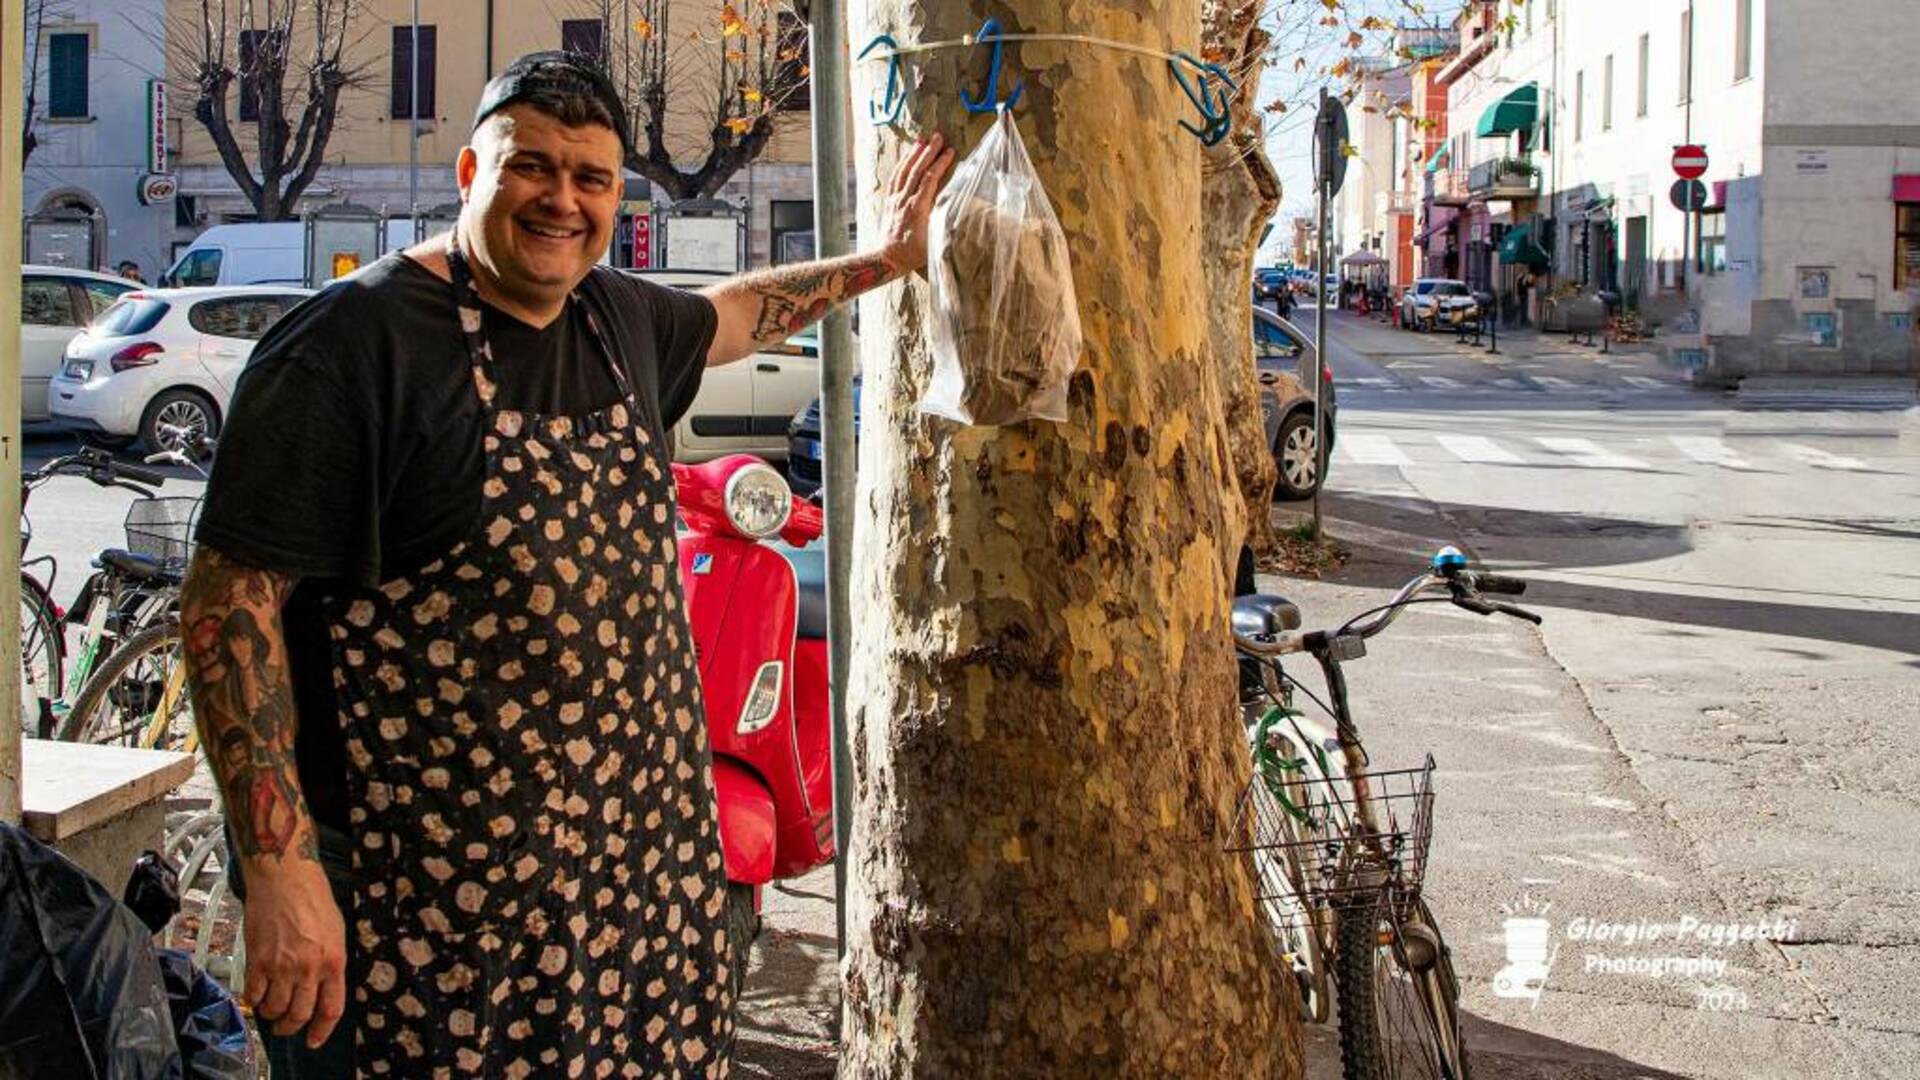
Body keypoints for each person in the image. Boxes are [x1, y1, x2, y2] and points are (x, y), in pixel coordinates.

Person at [180, 50, 953, 1078]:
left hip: (627, 892)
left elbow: (737, 315)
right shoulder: (350, 346)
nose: (563, 200)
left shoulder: (617, 315)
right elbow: (229, 608)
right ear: (469, 174)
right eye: (530, 167)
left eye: (590, 178)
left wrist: (885, 263)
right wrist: (277, 871)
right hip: (424, 921)